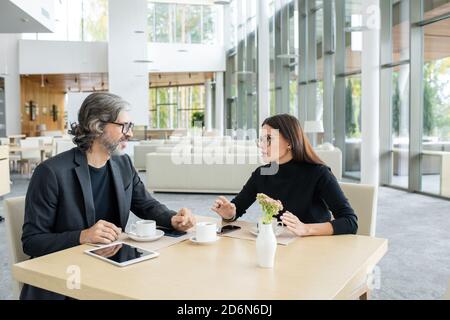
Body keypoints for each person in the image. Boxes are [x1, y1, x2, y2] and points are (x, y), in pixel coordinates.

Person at [21, 92, 195, 300]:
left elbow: (146, 204)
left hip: (109, 271)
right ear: (97, 126)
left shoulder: (123, 165)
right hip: (64, 281)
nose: (129, 134)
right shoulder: (51, 172)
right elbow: (32, 241)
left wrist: (172, 218)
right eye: (124, 126)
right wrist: (83, 236)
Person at [211, 114, 357, 236]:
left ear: (289, 142)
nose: (262, 145)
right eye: (261, 139)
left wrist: (306, 228)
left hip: (314, 248)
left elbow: (350, 221)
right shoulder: (262, 174)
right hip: (278, 246)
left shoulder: (319, 173)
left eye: (269, 139)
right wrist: (229, 213)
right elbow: (237, 208)